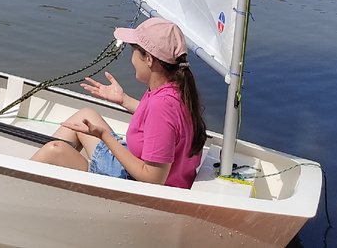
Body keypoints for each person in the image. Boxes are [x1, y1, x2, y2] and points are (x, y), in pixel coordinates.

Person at [30, 17, 206, 188]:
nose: (132, 60)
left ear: (149, 60)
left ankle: (23, 179)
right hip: (142, 166)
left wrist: (104, 136)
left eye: (134, 53)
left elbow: (153, 180)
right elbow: (163, 125)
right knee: (86, 114)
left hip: (134, 185)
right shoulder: (176, 88)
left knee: (54, 150)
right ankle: (45, 177)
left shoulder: (161, 106)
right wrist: (123, 100)